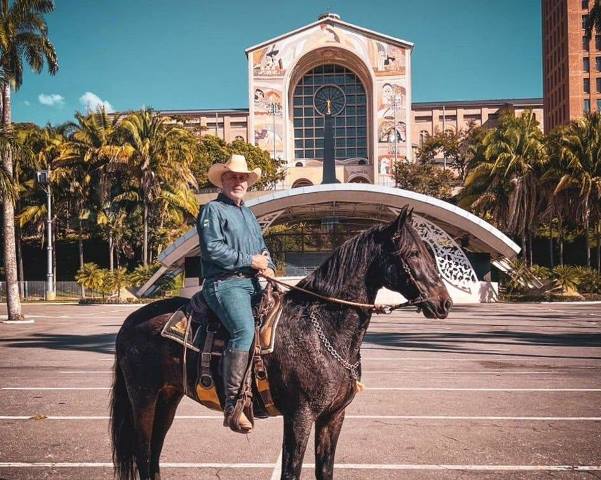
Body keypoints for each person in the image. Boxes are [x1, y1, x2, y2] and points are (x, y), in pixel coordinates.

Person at [197, 153, 275, 433]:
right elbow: (212, 249)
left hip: (255, 283)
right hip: (225, 283)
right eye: (233, 176)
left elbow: (263, 249)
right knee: (244, 330)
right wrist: (250, 260)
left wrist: (270, 267)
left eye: (243, 177)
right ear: (222, 180)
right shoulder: (212, 211)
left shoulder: (249, 214)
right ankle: (234, 405)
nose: (238, 181)